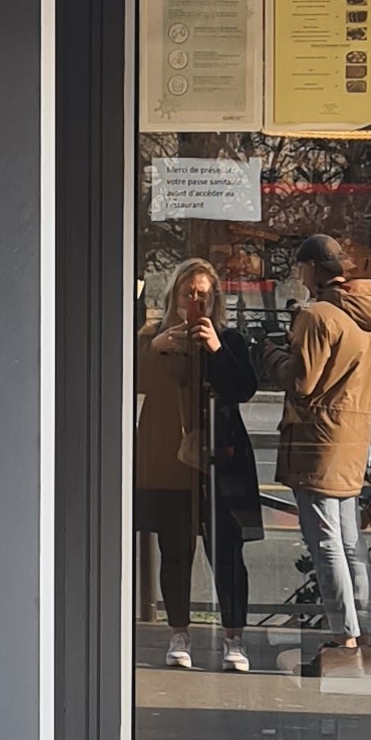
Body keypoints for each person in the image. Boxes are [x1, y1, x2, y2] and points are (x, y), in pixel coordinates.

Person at [132, 260, 266, 670]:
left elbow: (244, 388)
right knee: (174, 550)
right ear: (174, 295)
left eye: (203, 295)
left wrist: (215, 348)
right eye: (188, 293)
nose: (194, 301)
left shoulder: (229, 339)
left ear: (215, 300)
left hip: (221, 458)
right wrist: (156, 347)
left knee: (227, 553)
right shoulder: (153, 338)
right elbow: (130, 382)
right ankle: (179, 633)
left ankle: (234, 639)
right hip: (168, 457)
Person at [275, 230, 371, 661]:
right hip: (353, 438)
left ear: (312, 269)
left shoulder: (318, 316)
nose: (300, 276)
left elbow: (301, 383)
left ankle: (343, 633)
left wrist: (272, 355)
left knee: (326, 542)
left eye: (302, 268)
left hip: (318, 440)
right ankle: (364, 629)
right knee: (350, 541)